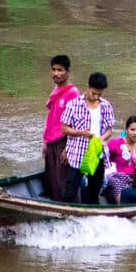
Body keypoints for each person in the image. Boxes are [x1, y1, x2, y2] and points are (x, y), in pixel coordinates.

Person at [60, 71, 116, 204]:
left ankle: (90, 211)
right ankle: (65, 213)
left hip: (96, 153)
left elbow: (109, 130)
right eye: (94, 93)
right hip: (77, 154)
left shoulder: (106, 106)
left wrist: (102, 138)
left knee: (94, 190)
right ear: (88, 87)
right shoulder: (73, 105)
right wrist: (81, 132)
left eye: (99, 94)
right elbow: (64, 129)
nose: (96, 97)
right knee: (70, 191)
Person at [42, 54, 80, 201]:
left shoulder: (73, 93)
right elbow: (51, 117)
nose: (56, 73)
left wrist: (68, 148)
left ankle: (70, 209)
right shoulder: (56, 89)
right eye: (53, 69)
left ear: (68, 72)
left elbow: (77, 122)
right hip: (51, 141)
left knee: (63, 180)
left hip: (63, 141)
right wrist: (45, 142)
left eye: (60, 70)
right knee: (52, 180)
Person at [104, 115, 136, 204]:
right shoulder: (115, 143)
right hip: (117, 177)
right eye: (132, 130)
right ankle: (122, 206)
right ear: (126, 130)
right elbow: (103, 158)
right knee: (116, 182)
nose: (135, 133)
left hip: (135, 177)